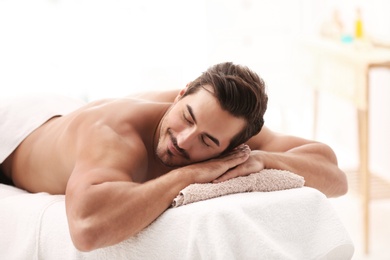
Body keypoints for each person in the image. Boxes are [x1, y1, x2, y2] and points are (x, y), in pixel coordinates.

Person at [0, 62, 347, 251]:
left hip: (68, 112)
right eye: (187, 117)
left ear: (233, 145)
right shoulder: (113, 135)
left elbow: (333, 174)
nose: (184, 140)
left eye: (208, 141)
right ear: (181, 94)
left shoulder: (226, 124)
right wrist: (190, 175)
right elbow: (87, 229)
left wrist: (263, 161)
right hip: (19, 127)